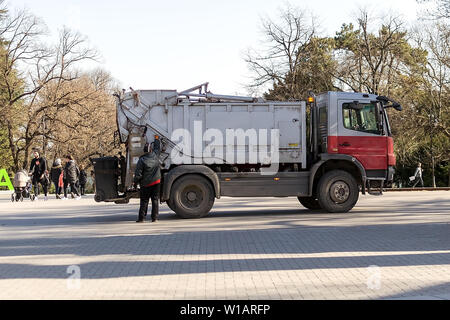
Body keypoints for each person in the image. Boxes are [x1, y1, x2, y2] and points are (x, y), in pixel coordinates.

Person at [133, 142, 161, 223]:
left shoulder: (142, 160)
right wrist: (156, 139)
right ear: (151, 150)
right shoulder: (156, 155)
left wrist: (135, 182)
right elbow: (157, 148)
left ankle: (141, 218)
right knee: (155, 200)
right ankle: (154, 218)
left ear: (144, 151)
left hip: (146, 184)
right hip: (156, 182)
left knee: (144, 201)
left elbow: (138, 173)